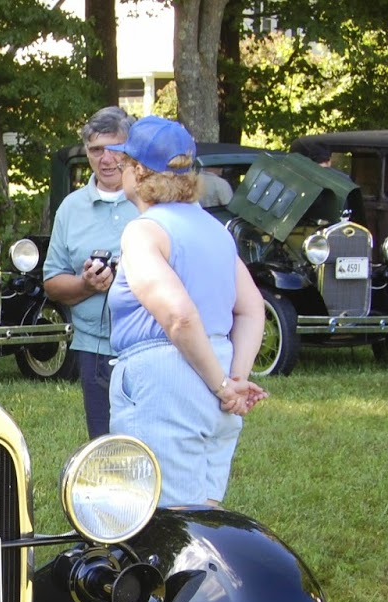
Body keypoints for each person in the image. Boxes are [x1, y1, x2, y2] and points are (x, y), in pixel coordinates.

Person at [104, 116, 268, 508]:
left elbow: (179, 317)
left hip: (169, 378)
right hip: (219, 368)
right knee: (207, 517)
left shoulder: (144, 231)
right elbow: (252, 309)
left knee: (158, 516)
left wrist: (222, 386)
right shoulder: (216, 230)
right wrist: (235, 379)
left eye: (125, 163)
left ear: (139, 170)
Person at [44, 106, 138, 438]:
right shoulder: (70, 208)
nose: (107, 158)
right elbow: (52, 282)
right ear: (87, 152)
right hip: (94, 348)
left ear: (131, 150)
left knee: (150, 446)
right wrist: (87, 285)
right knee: (104, 445)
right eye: (97, 149)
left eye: (116, 148)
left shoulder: (149, 200)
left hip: (149, 345)